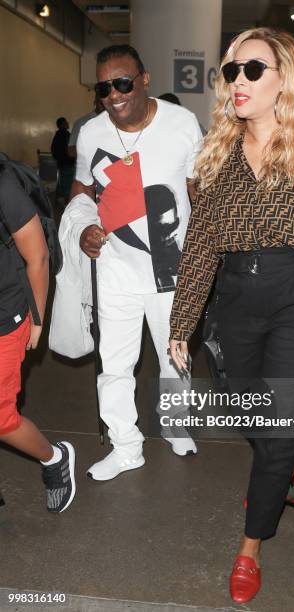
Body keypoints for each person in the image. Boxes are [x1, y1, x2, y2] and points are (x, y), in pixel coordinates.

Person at [169, 27, 294, 603]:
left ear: (285, 81)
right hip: (237, 297)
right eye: (231, 71)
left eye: (253, 69)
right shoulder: (216, 153)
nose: (239, 81)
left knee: (278, 428)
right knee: (249, 411)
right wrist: (183, 322)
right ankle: (290, 452)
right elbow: (201, 244)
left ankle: (250, 545)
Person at [70, 44, 203, 481]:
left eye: (123, 82)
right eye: (104, 87)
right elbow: (82, 193)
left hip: (172, 270)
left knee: (175, 358)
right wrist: (84, 227)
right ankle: (126, 445)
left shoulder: (182, 124)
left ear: (144, 79)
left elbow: (197, 190)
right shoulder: (92, 133)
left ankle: (175, 423)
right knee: (116, 364)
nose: (114, 94)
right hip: (116, 268)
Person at [0, 156, 75, 513]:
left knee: (1, 418)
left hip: (6, 313)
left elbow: (38, 256)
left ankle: (54, 458)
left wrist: (37, 320)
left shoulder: (1, 183)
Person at [68, 96, 104, 160]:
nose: (104, 105)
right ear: (95, 102)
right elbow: (71, 151)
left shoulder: (115, 122)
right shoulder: (82, 122)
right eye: (101, 102)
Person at [51, 117, 75, 203]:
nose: (68, 123)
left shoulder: (57, 135)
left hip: (62, 163)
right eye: (66, 122)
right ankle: (66, 200)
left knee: (63, 181)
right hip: (67, 163)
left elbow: (53, 150)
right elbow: (70, 149)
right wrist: (71, 158)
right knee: (68, 183)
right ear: (62, 125)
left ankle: (58, 199)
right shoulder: (66, 135)